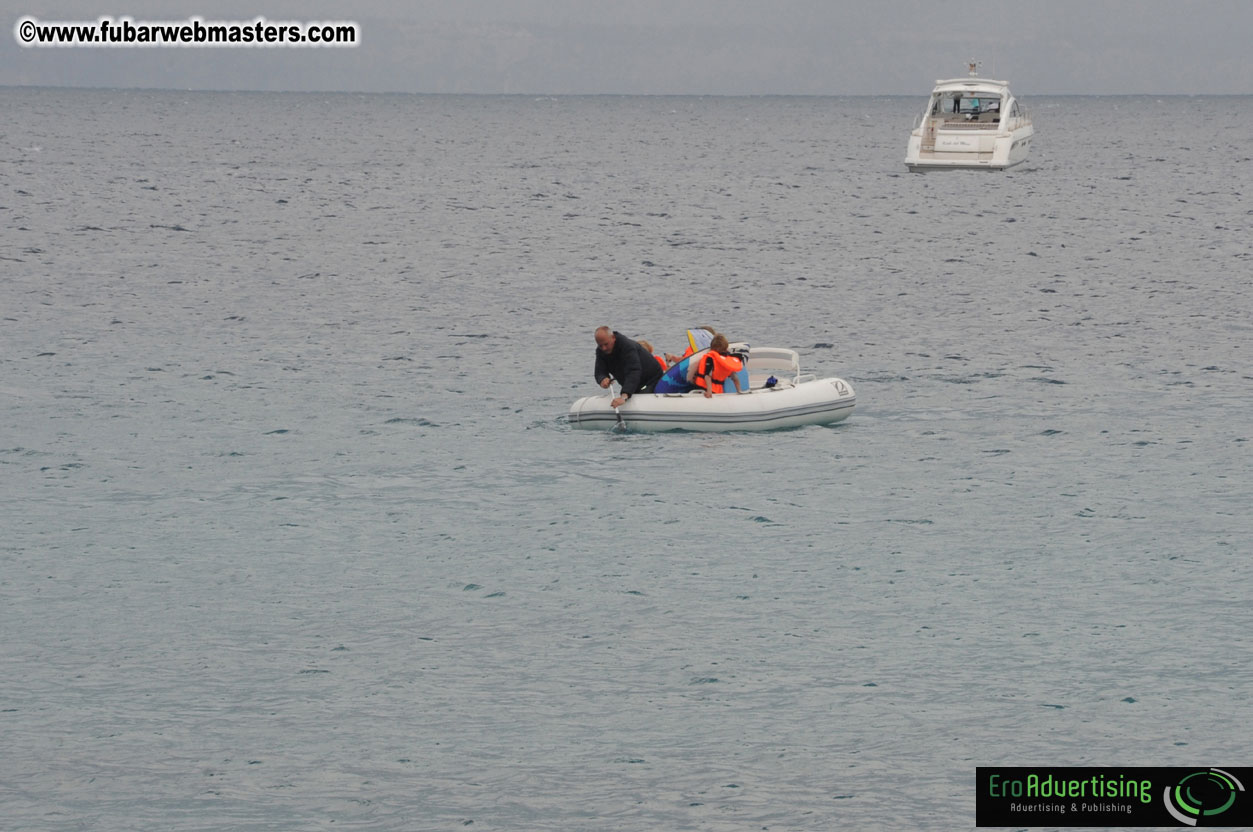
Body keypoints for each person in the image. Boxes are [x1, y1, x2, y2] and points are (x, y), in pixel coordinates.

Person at [593, 326, 664, 408]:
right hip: (634, 384)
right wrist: (602, 379)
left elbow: (633, 371)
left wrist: (624, 396)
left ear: (613, 338)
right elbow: (599, 371)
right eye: (600, 345)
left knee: (637, 398)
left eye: (606, 344)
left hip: (652, 381)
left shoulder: (627, 346)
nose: (604, 348)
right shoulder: (600, 351)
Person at [692, 334, 744, 398]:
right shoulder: (728, 360)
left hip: (702, 389)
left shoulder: (710, 357)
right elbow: (735, 377)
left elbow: (707, 375)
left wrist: (709, 392)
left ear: (712, 348)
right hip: (718, 391)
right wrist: (739, 390)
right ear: (726, 348)